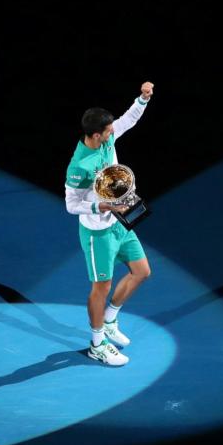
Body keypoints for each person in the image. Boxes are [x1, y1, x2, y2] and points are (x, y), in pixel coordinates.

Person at [65, 81, 155, 365]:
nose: (112, 132)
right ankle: (96, 343)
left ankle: (110, 321)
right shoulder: (79, 166)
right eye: (107, 131)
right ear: (95, 135)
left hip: (118, 223)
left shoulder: (108, 137)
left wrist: (142, 98)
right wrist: (100, 205)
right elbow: (70, 205)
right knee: (100, 289)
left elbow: (128, 120)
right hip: (97, 233)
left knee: (141, 272)